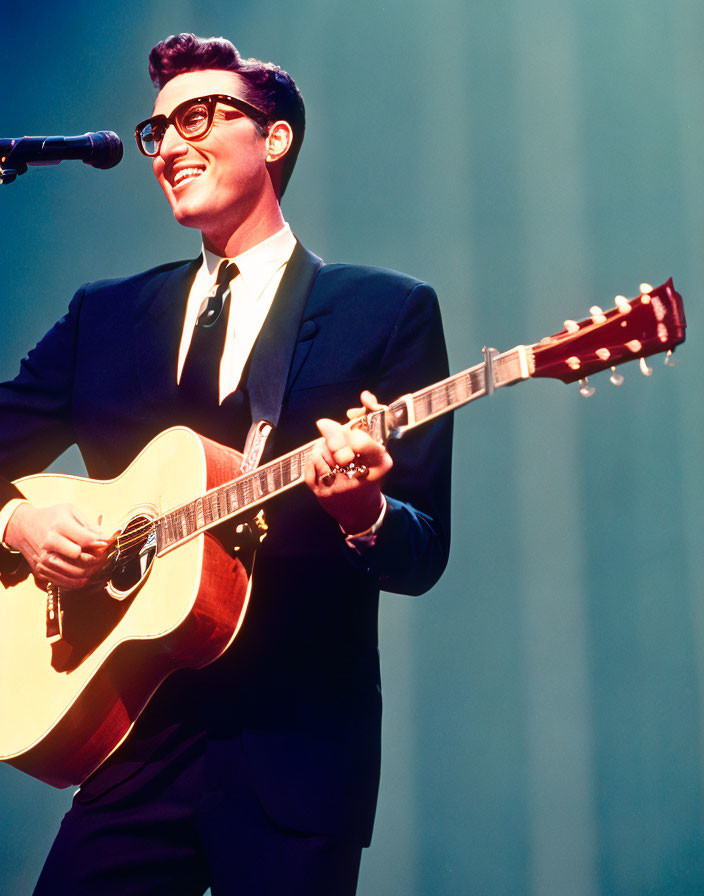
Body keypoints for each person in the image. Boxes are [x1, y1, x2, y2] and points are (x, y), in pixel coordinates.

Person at [0, 33, 452, 895]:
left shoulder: (383, 312)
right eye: (156, 131)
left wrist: (364, 513)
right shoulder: (106, 316)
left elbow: (424, 549)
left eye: (197, 118)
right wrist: (17, 521)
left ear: (274, 137)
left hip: (297, 752)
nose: (168, 146)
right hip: (129, 740)